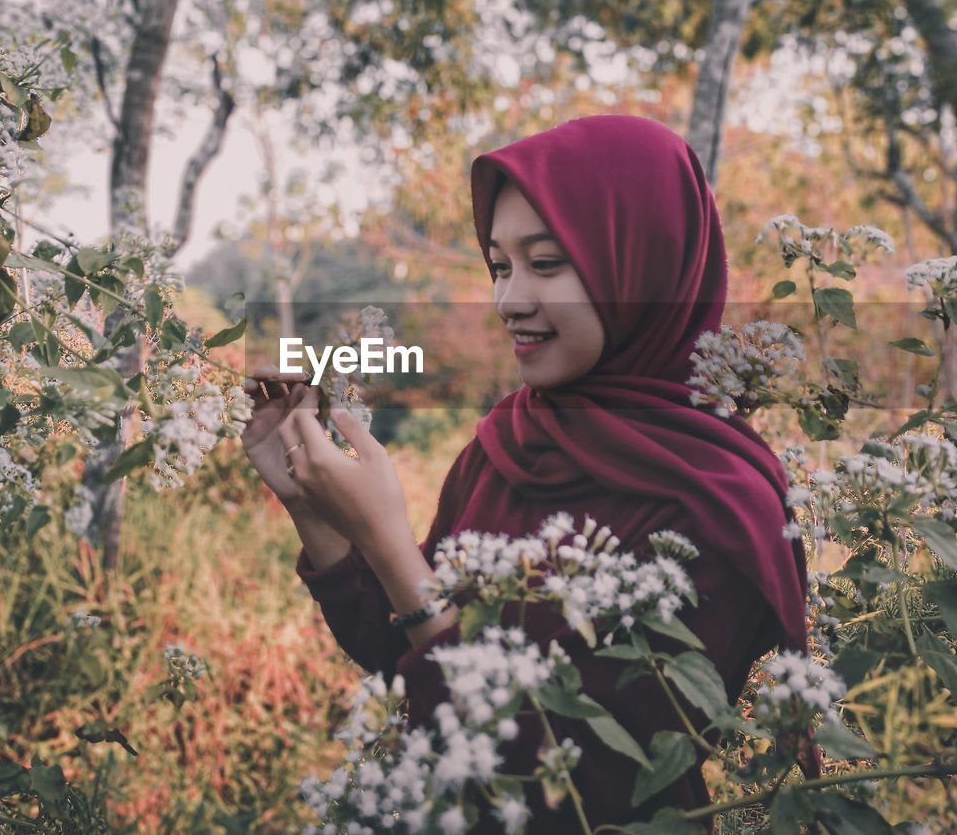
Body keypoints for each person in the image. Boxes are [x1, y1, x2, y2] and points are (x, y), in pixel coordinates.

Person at [241, 115, 809, 831]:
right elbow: (405, 652)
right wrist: (315, 512)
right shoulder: (506, 443)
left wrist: (390, 546)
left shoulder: (720, 503)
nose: (509, 300)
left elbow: (587, 782)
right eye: (500, 265)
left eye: (545, 264)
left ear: (640, 265)